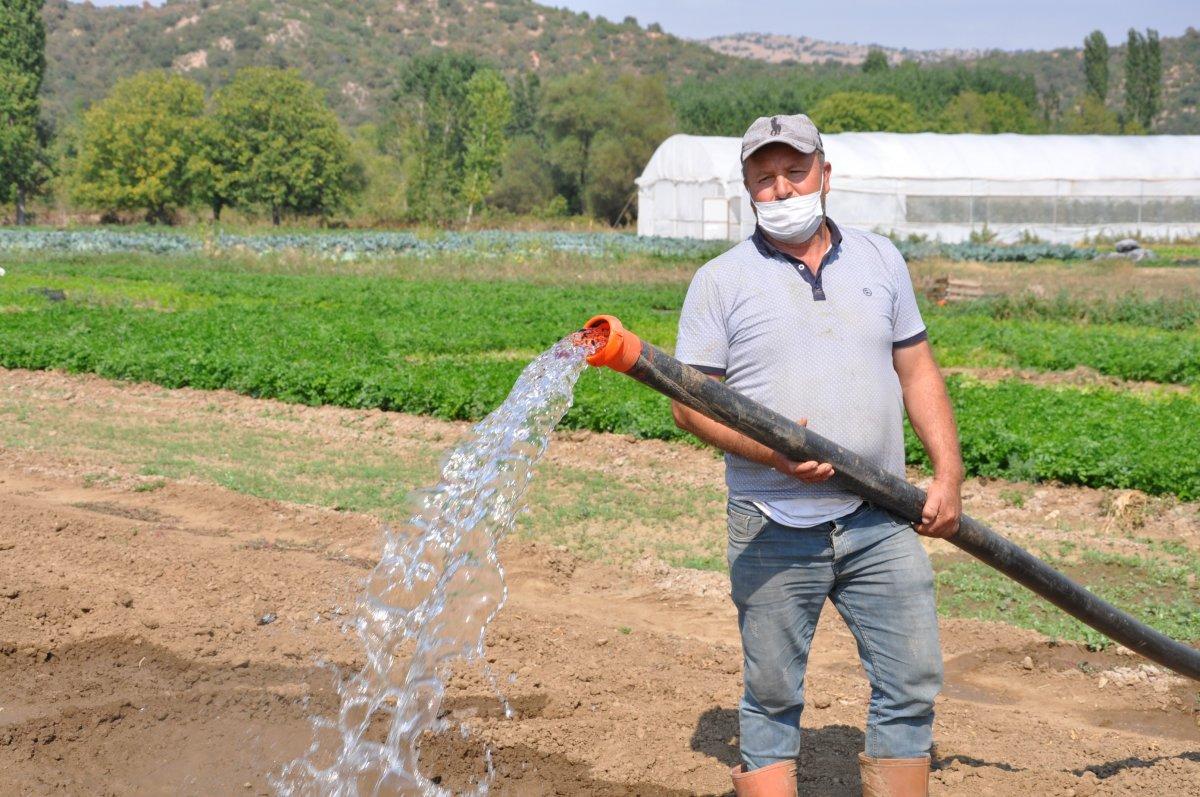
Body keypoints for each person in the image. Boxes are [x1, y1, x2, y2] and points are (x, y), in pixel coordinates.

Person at [672, 114, 964, 797]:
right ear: (749, 189)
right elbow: (689, 404)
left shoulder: (881, 259)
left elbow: (918, 369)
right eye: (764, 178)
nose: (782, 190)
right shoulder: (719, 282)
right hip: (772, 520)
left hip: (880, 514)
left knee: (911, 678)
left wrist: (947, 475)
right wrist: (769, 453)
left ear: (824, 174)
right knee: (772, 697)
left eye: (794, 172)